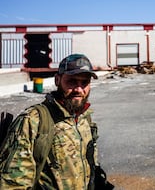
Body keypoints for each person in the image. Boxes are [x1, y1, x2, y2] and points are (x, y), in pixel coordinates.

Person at [0, 53, 113, 189]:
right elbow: (13, 184)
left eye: (84, 83)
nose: (79, 89)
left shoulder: (84, 119)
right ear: (57, 80)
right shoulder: (33, 121)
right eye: (72, 81)